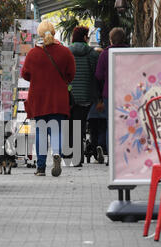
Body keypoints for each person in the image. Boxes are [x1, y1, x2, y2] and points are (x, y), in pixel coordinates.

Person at [21, 21, 76, 177]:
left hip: (38, 98)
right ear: (54, 33)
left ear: (39, 34)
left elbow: (25, 74)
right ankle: (57, 153)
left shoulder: (33, 53)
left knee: (41, 132)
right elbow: (71, 74)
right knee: (56, 129)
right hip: (58, 98)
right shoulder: (65, 52)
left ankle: (40, 167)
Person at [90, 27, 129, 164]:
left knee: (110, 125)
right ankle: (125, 154)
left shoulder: (105, 54)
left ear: (111, 40)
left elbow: (99, 75)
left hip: (110, 93)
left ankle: (110, 157)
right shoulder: (130, 53)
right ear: (124, 39)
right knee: (126, 124)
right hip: (127, 94)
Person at [68, 26, 101, 167]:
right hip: (86, 96)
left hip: (69, 95)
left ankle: (71, 154)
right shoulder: (92, 54)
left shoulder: (67, 52)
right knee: (80, 126)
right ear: (84, 38)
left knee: (69, 125)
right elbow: (97, 75)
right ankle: (78, 157)